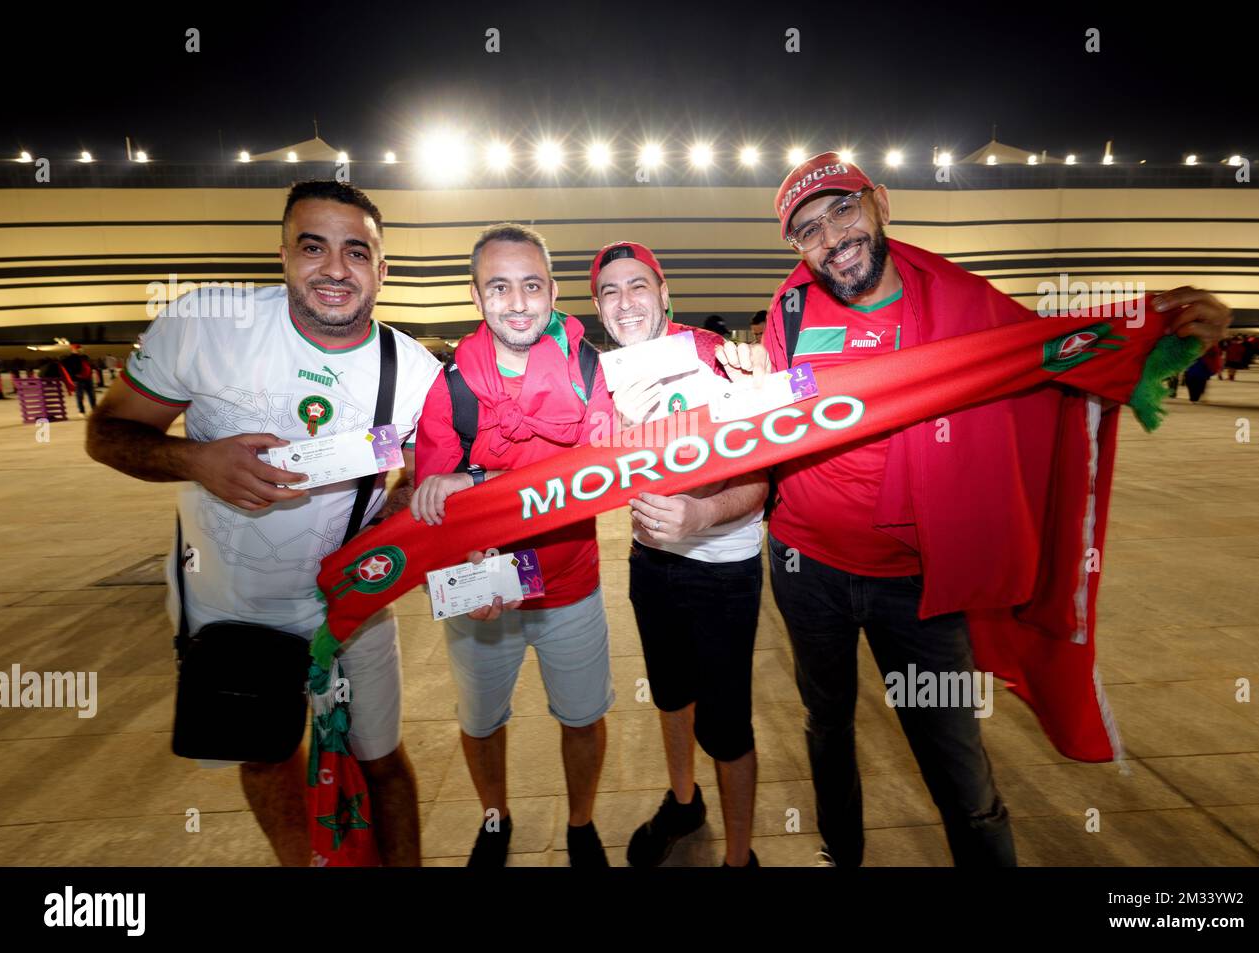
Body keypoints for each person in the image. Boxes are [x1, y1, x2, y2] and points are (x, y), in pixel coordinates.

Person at [715, 152, 1233, 867]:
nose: (832, 238)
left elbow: (1055, 356)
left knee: (951, 749)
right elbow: (771, 416)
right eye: (808, 230)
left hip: (919, 584)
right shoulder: (791, 307)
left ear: (881, 203)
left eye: (843, 210)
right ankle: (843, 854)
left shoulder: (960, 303)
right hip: (808, 568)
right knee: (826, 724)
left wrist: (1158, 335)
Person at [86, 180, 438, 866]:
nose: (335, 269)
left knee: (381, 760)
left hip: (349, 606)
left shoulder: (416, 371)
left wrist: (391, 522)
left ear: (381, 270)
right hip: (230, 607)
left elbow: (425, 472)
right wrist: (195, 459)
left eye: (356, 252)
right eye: (314, 247)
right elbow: (109, 433)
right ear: (283, 255)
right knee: (267, 757)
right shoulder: (206, 326)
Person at [409, 223, 615, 867]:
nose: (518, 302)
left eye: (531, 285)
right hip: (483, 591)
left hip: (569, 581)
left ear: (553, 292)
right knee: (480, 723)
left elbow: (601, 469)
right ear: (477, 296)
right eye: (500, 287)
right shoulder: (449, 389)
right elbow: (431, 508)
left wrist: (478, 477)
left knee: (582, 717)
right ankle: (494, 820)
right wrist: (456, 567)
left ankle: (580, 824)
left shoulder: (588, 368)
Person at [590, 241, 768, 867]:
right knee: (669, 695)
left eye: (638, 286)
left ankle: (739, 856)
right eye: (610, 291)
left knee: (728, 724)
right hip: (652, 562)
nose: (625, 301)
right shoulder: (604, 378)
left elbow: (761, 480)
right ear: (598, 307)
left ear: (664, 294)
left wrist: (701, 512)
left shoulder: (718, 358)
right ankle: (684, 801)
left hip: (724, 566)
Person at [61, 344, 97, 414]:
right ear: (73, 350)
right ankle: (81, 411)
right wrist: (73, 375)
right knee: (80, 396)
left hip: (88, 379)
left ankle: (95, 410)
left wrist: (90, 370)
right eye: (77, 349)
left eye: (80, 348)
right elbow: (65, 367)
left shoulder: (84, 357)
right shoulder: (70, 358)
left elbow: (88, 365)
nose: (80, 350)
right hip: (79, 380)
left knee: (92, 395)